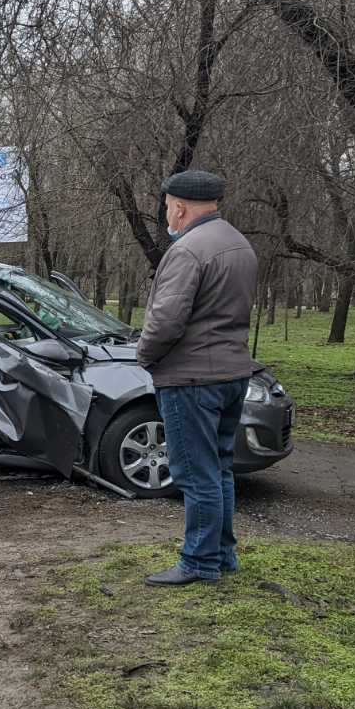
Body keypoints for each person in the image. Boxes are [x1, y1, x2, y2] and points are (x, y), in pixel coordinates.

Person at [136, 170, 261, 587]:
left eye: (168, 206)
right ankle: (223, 555)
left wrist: (144, 356)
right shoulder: (238, 243)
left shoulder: (188, 249)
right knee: (220, 467)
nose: (167, 214)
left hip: (191, 376)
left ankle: (199, 562)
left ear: (180, 206)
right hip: (231, 372)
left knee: (194, 473)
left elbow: (167, 320)